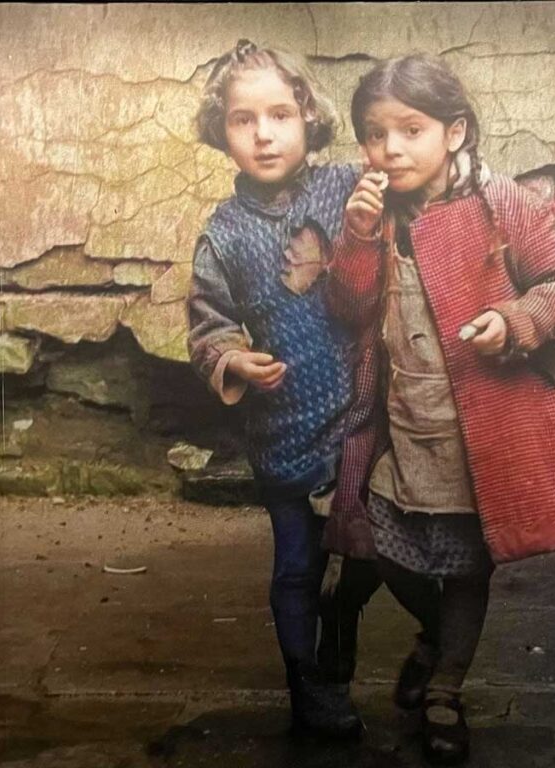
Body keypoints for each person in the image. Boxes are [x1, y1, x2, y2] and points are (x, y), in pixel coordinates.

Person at [324, 53, 555, 765]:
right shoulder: (372, 212)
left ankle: (447, 684)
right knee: (388, 552)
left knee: (468, 570)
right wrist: (356, 238)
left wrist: (515, 322)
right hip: (401, 429)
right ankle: (435, 639)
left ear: (454, 132)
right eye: (374, 133)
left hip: (480, 433)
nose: (390, 150)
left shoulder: (502, 204)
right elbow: (348, 308)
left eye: (410, 130)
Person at [186, 39, 367, 739]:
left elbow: (400, 224)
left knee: (373, 556)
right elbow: (207, 325)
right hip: (285, 429)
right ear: (220, 131)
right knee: (296, 566)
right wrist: (235, 361)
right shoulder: (223, 235)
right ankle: (309, 686)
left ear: (308, 119)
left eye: (280, 115)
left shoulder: (345, 186)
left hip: (362, 418)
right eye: (242, 119)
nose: (264, 134)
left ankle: (342, 640)